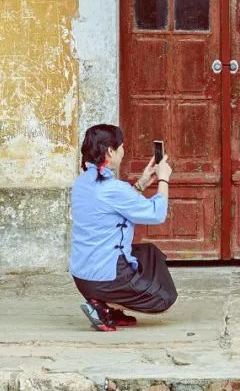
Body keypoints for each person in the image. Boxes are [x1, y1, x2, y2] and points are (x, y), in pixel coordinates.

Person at [70, 123, 177, 331]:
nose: (123, 151)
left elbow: (114, 205)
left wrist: (143, 183)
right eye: (121, 147)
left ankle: (103, 304)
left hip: (82, 277)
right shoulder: (113, 189)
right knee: (164, 298)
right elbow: (156, 214)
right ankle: (103, 304)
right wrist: (164, 178)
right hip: (105, 278)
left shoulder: (82, 182)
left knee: (149, 254)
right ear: (110, 151)